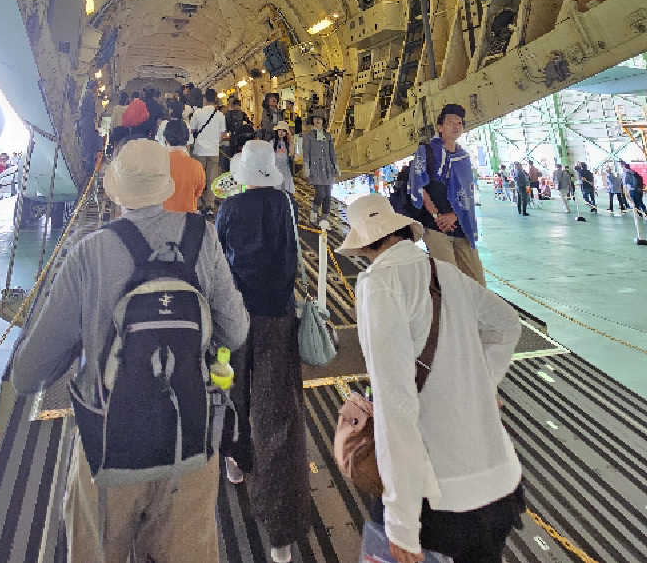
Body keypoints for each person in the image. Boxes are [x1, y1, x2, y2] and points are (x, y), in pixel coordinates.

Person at [11, 139, 249, 563]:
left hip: (110, 451)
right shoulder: (203, 238)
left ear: (115, 190)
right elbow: (236, 331)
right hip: (190, 443)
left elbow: (29, 374)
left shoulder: (89, 251)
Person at [338, 194, 524, 563]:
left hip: (440, 502)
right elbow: (507, 325)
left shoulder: (379, 286)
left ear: (363, 246)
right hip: (501, 488)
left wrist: (401, 523)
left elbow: (397, 406)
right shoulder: (445, 272)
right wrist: (480, 386)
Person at [216, 140, 310, 563]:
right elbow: (292, 259)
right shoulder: (284, 206)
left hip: (237, 316)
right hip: (277, 316)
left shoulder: (229, 209)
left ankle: (237, 458)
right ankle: (280, 532)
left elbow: (220, 266)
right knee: (277, 414)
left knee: (234, 393)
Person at [408, 104, 485, 285]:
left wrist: (454, 216)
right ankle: (452, 313)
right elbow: (418, 185)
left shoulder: (464, 158)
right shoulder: (426, 151)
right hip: (436, 227)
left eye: (459, 123)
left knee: (477, 280)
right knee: (449, 280)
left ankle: (473, 312)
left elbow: (467, 194)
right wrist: (437, 215)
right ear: (440, 127)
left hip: (461, 226)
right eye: (450, 122)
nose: (456, 126)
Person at [189, 87, 228, 215]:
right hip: (213, 150)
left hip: (199, 149)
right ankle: (210, 204)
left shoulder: (198, 113)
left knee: (198, 177)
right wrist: (215, 141)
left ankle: (199, 203)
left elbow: (192, 130)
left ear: (204, 99)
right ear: (215, 99)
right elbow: (223, 134)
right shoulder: (220, 115)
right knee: (212, 178)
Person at [302, 109, 339, 224]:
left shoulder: (328, 136)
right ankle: (314, 212)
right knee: (321, 193)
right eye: (315, 118)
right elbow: (306, 153)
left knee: (328, 196)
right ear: (312, 120)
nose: (317, 120)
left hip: (328, 168)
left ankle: (324, 219)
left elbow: (332, 153)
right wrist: (306, 167)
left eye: (320, 118)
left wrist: (336, 166)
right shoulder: (308, 136)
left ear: (323, 121)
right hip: (316, 168)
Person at [163, 119, 206, 213]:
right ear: (186, 140)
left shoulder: (158, 163)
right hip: (188, 217)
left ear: (165, 139)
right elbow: (198, 192)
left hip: (163, 218)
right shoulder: (196, 166)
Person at [272, 121, 296, 194]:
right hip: (275, 171)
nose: (281, 133)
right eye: (279, 130)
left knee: (285, 192)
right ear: (277, 131)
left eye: (284, 131)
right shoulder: (272, 142)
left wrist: (291, 141)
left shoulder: (288, 143)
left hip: (286, 171)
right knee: (276, 192)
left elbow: (292, 155)